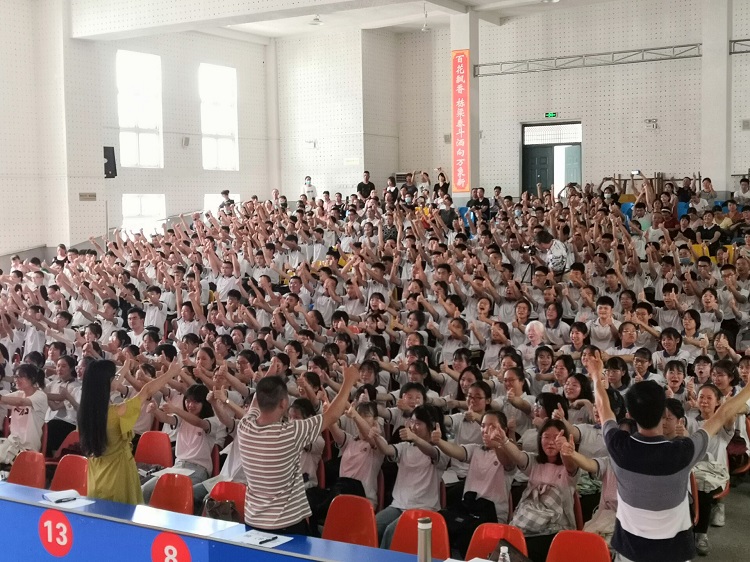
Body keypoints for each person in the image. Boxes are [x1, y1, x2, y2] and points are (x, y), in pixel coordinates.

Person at [589, 350, 750, 562]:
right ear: (664, 412)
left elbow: (603, 408)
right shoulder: (683, 451)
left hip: (629, 553)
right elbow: (722, 414)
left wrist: (595, 375)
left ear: (630, 414)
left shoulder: (618, 446)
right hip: (674, 554)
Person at [236, 364, 358, 534]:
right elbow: (332, 415)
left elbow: (257, 400)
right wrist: (348, 381)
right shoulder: (290, 433)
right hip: (286, 524)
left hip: (253, 521)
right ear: (284, 403)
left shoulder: (244, 426)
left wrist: (269, 375)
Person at [78, 359, 180, 504]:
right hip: (117, 475)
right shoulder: (117, 412)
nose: (118, 379)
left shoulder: (84, 413)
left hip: (95, 476)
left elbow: (114, 383)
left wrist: (125, 368)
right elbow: (146, 391)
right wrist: (171, 372)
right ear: (108, 382)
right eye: (115, 377)